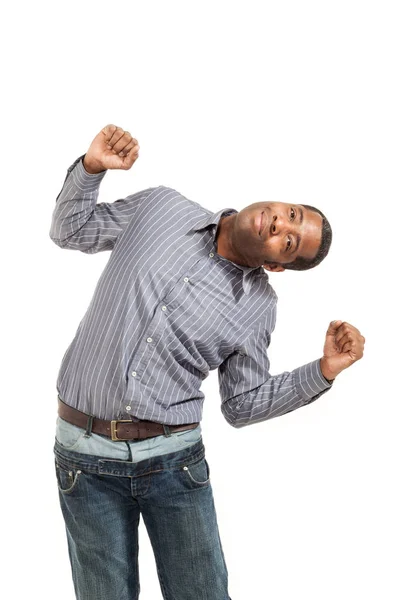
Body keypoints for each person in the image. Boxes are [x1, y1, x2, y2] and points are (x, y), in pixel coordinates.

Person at [49, 124, 365, 600]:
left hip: (173, 464)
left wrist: (322, 371)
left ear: (278, 265)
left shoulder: (258, 306)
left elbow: (242, 404)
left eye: (291, 242)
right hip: (83, 456)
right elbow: (70, 230)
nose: (282, 225)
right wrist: (91, 168)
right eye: (292, 214)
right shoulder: (161, 207)